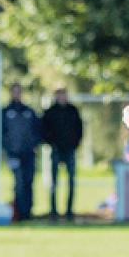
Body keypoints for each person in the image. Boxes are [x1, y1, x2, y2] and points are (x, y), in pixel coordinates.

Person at [41, 87, 84, 221]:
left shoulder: (73, 111)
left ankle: (69, 211)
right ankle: (53, 211)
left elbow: (79, 129)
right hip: (56, 150)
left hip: (70, 149)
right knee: (53, 182)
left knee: (71, 181)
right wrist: (52, 143)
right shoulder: (50, 112)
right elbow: (44, 130)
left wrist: (75, 144)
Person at [2, 82, 41, 221]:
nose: (17, 94)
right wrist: (7, 151)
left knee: (29, 182)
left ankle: (28, 212)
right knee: (19, 183)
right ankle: (18, 212)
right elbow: (2, 134)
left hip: (29, 154)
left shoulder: (29, 112)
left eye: (19, 91)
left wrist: (35, 145)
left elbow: (37, 130)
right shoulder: (5, 112)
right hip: (14, 154)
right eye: (15, 91)